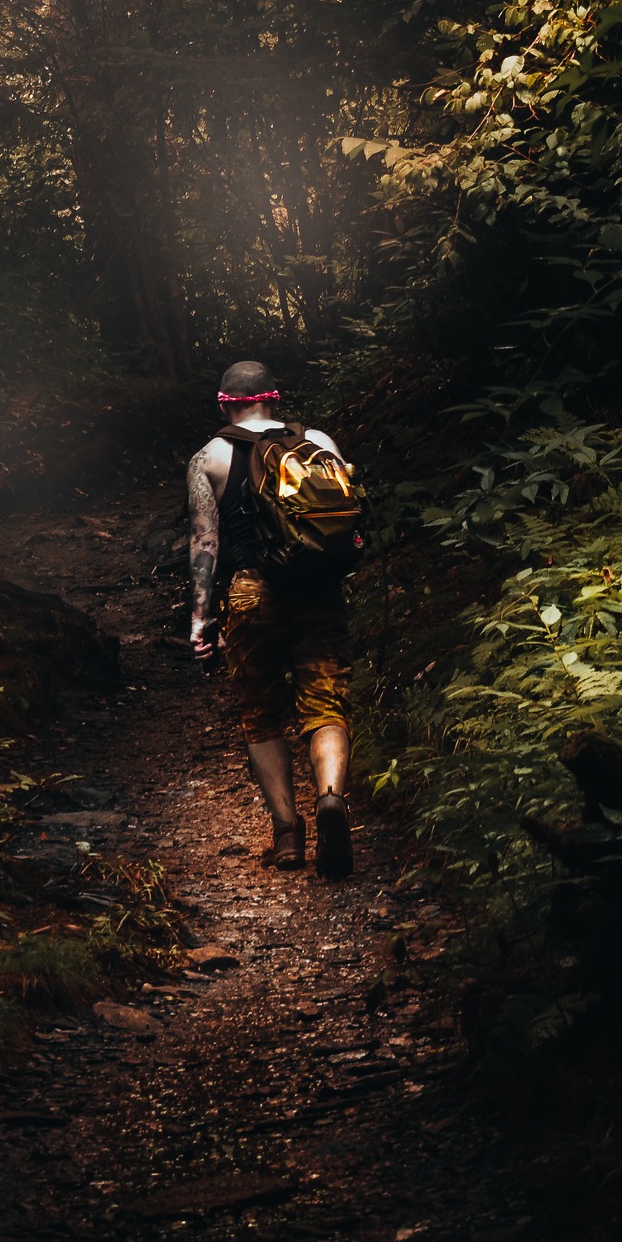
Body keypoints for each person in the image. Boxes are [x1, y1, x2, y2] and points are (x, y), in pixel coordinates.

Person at [186, 361, 355, 877]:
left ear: (225, 404)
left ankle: (287, 832)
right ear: (274, 399)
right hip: (319, 591)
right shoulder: (320, 441)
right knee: (325, 704)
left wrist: (200, 618)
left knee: (260, 714)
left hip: (252, 595)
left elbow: (205, 543)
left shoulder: (208, 458)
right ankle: (331, 798)